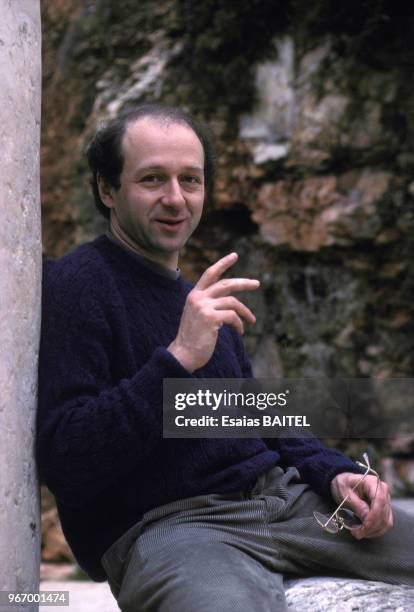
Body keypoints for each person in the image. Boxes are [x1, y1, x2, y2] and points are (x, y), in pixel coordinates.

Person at [37, 104, 414, 612]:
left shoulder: (198, 300)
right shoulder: (77, 286)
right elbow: (68, 459)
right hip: (173, 530)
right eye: (152, 179)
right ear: (107, 190)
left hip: (284, 505)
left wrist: (335, 471)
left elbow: (261, 419)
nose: (175, 199)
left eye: (190, 180)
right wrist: (176, 360)